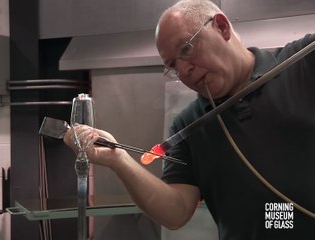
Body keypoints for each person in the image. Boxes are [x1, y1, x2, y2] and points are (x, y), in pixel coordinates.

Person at [63, 0, 315, 239]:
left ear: (222, 27)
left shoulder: (303, 62)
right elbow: (176, 212)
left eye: (186, 48)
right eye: (172, 65)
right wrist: (117, 159)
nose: (183, 71)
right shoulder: (189, 125)